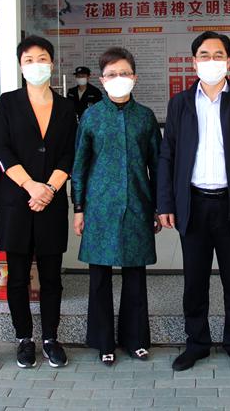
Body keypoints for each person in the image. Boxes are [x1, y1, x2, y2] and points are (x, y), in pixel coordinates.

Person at [157, 31, 230, 373]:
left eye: (218, 55)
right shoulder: (180, 103)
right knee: (194, 281)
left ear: (228, 61)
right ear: (194, 63)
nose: (211, 61)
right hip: (193, 204)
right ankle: (197, 343)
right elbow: (167, 155)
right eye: (204, 55)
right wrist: (166, 204)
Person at [71, 47, 162, 367]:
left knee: (135, 275)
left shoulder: (145, 117)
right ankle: (103, 342)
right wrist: (78, 207)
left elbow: (157, 166)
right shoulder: (92, 117)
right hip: (99, 207)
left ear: (134, 77)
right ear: (102, 79)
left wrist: (158, 207)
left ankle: (135, 340)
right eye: (112, 74)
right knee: (100, 277)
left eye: (124, 73)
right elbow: (79, 165)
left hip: (137, 204)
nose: (118, 78)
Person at [0, 35, 77, 369]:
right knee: (17, 276)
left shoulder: (66, 107)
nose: (36, 65)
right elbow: (1, 149)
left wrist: (50, 189)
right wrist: (30, 186)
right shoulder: (8, 103)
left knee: (51, 276)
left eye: (42, 59)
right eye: (29, 60)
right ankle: (24, 338)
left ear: (52, 64)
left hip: (51, 203)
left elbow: (70, 153)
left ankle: (51, 338)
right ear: (20, 66)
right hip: (17, 201)